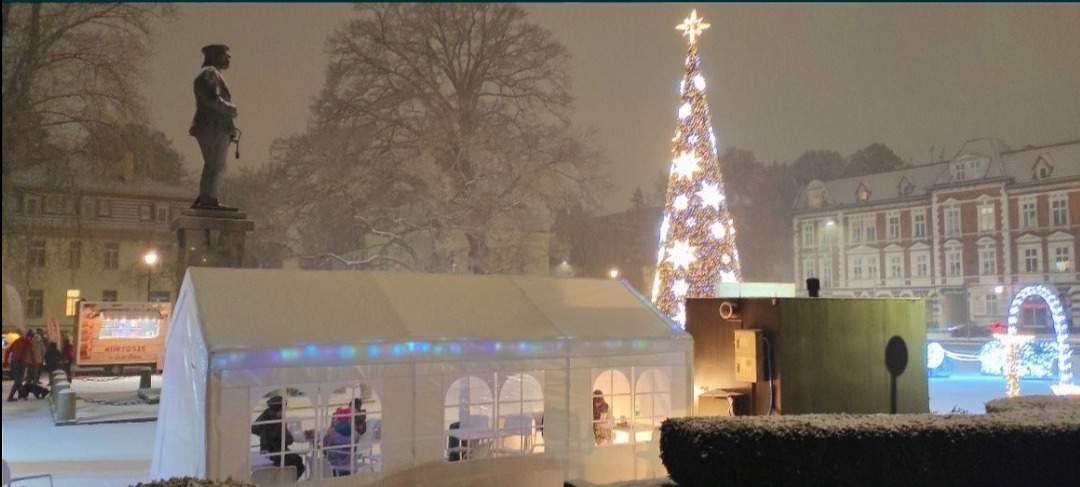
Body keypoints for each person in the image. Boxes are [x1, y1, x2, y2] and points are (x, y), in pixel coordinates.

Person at [189, 43, 240, 211]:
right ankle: (208, 198)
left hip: (213, 126)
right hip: (212, 127)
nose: (229, 58)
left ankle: (207, 197)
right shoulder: (210, 73)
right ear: (216, 56)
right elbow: (212, 100)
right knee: (216, 163)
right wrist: (230, 109)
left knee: (214, 163)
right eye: (225, 55)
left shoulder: (211, 73)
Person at [250, 396, 306, 480]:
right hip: (277, 454)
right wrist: (285, 426)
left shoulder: (265, 415)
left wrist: (263, 434)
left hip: (265, 451)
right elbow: (289, 440)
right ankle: (288, 482)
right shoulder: (278, 422)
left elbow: (253, 429)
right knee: (299, 463)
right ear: (280, 409)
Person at [3, 330, 34, 402]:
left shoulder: (17, 341)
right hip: (22, 362)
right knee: (18, 380)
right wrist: (33, 362)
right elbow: (31, 353)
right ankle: (12, 396)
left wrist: (5, 361)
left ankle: (21, 394)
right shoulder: (29, 342)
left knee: (18, 379)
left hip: (14, 362)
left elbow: (8, 351)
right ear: (31, 336)